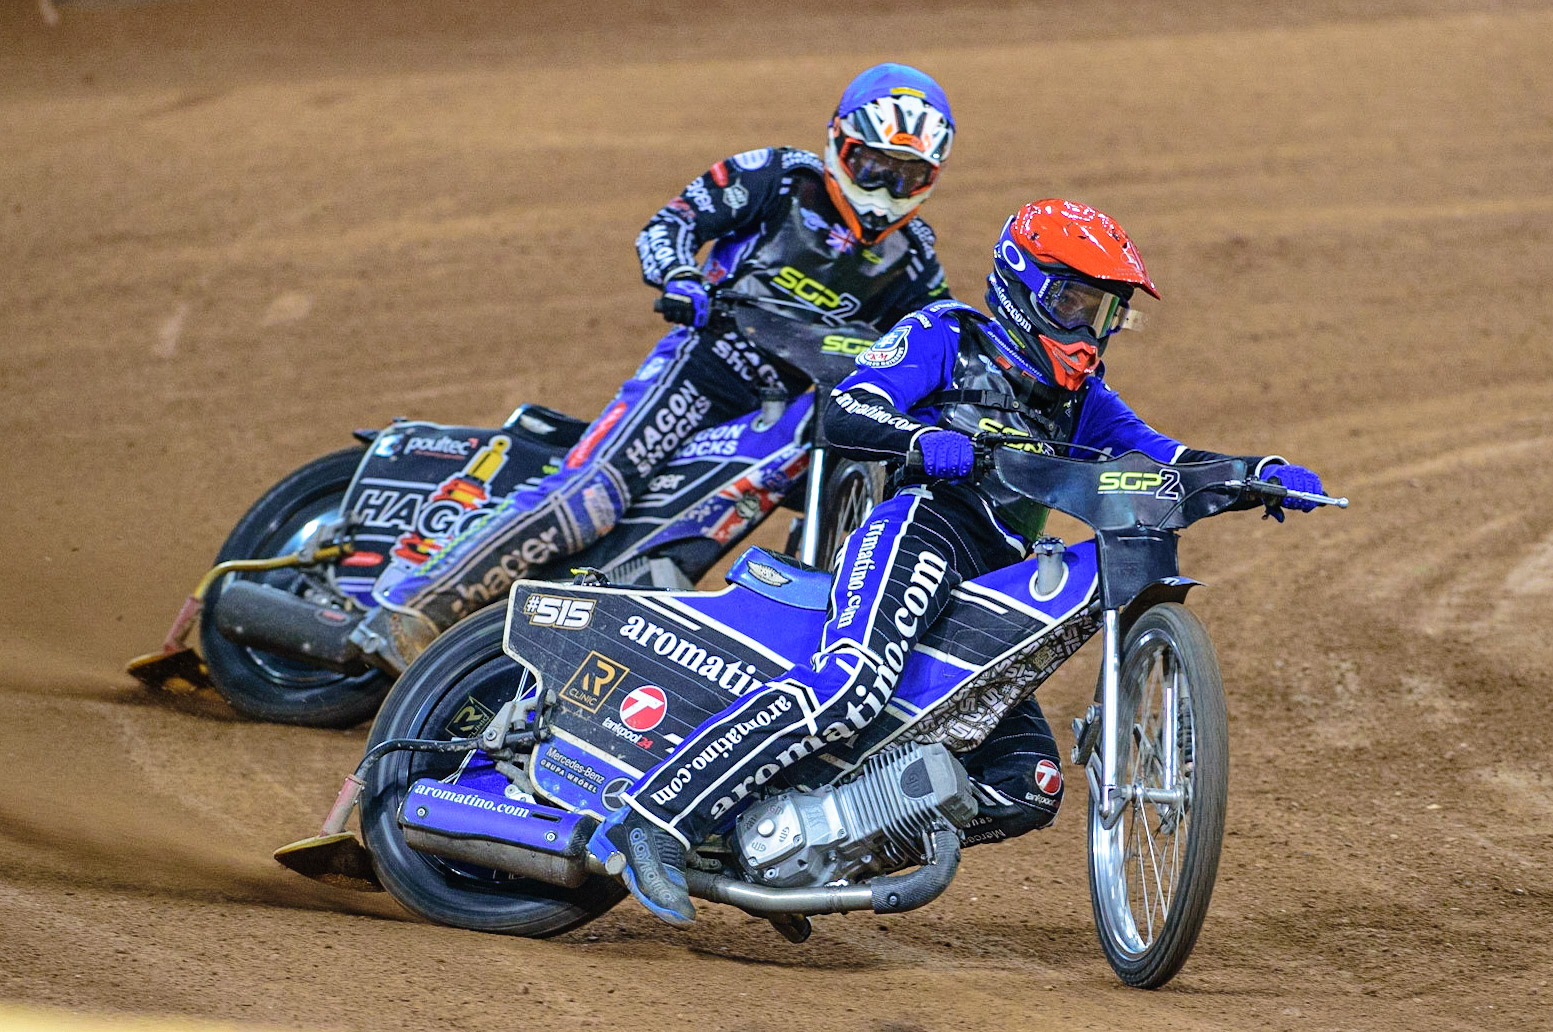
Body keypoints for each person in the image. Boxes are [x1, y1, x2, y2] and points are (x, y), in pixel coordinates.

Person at [589, 198, 1326, 928]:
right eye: (1072, 300)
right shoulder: (946, 334)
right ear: (1022, 283)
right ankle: (652, 817)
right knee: (851, 683)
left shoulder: (1085, 402)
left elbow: (1161, 458)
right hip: (922, 527)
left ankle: (803, 846)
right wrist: (917, 440)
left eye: (1102, 312)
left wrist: (1252, 472)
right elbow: (846, 408)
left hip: (995, 578)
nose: (1086, 326)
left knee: (1029, 783)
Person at [352, 62, 957, 673]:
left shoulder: (913, 258)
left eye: (908, 175)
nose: (885, 187)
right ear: (838, 142)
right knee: (593, 498)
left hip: (788, 408)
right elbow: (673, 222)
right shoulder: (774, 177)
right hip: (700, 367)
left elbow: (937, 340)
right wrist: (679, 274)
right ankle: (410, 608)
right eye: (873, 165)